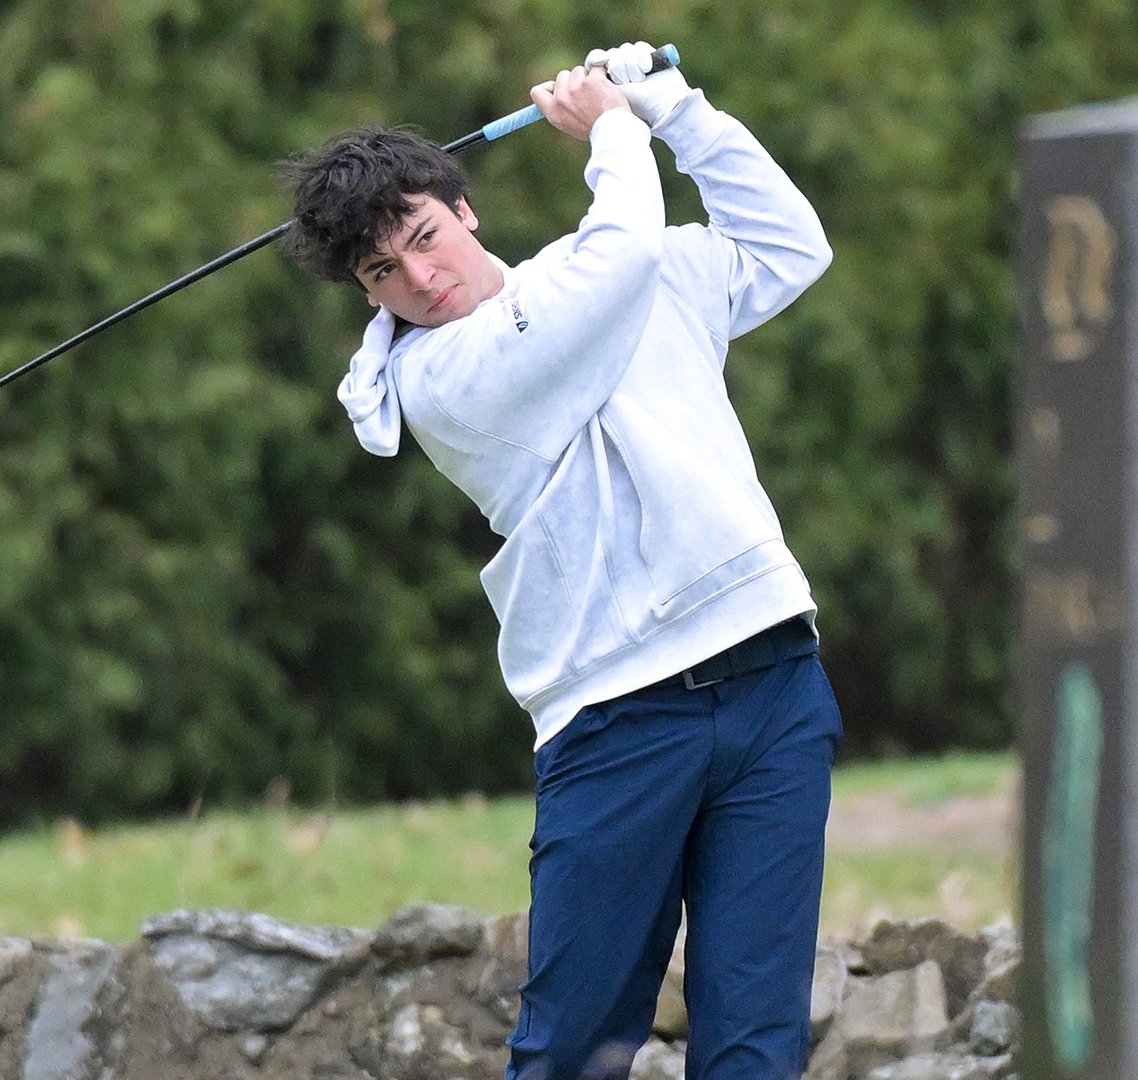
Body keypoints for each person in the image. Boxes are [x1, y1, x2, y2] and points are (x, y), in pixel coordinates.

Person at [279, 41, 840, 1080]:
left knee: (757, 1044)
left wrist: (676, 110)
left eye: (423, 237)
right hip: (617, 716)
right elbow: (611, 270)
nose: (420, 279)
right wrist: (615, 129)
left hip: (773, 677)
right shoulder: (439, 381)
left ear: (465, 209)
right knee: (574, 1051)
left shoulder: (614, 266)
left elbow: (788, 246)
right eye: (382, 272)